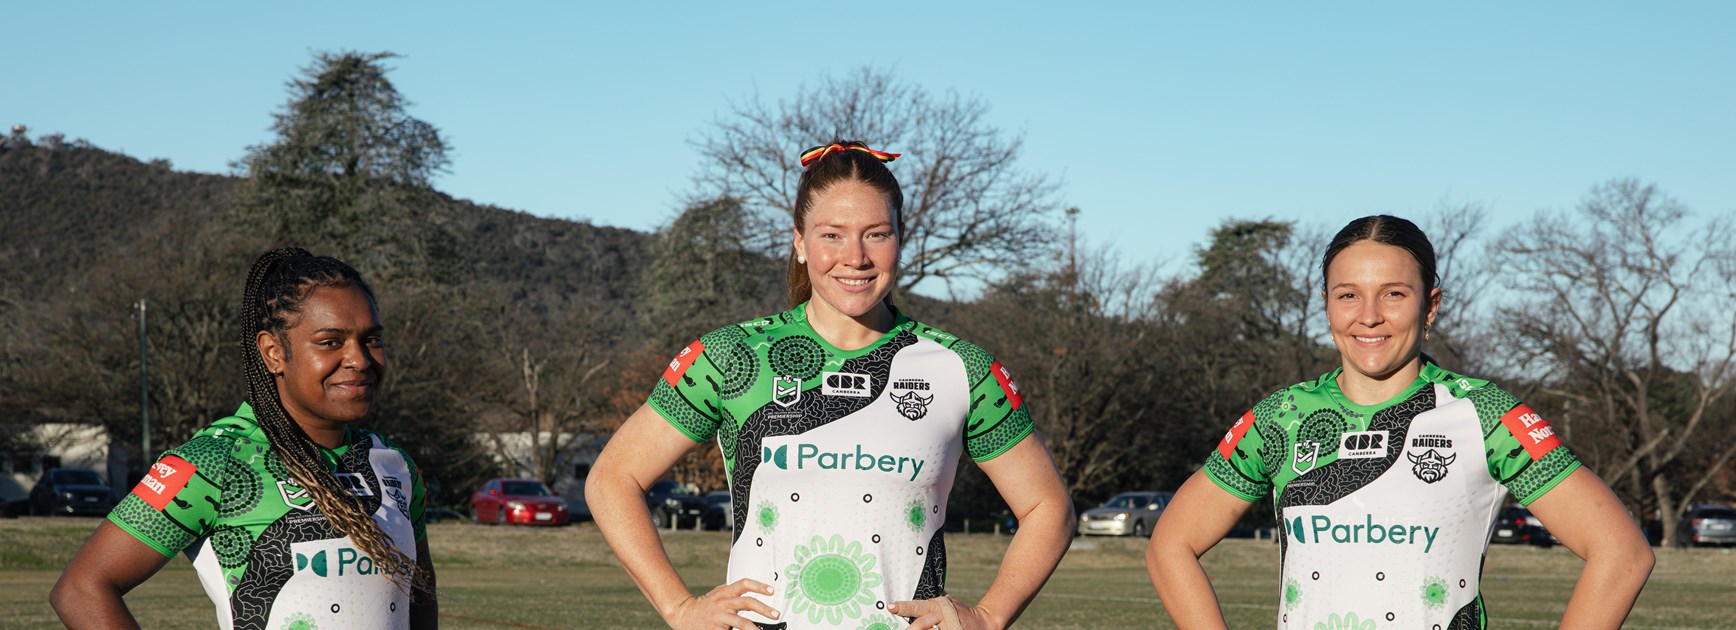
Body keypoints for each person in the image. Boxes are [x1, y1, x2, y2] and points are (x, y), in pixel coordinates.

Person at [587, 141, 1075, 630]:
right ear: (799, 242)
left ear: (901, 238)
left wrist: (988, 618)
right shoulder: (731, 356)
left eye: (876, 234)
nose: (855, 257)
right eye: (832, 235)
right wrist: (679, 607)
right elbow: (613, 479)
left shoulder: (962, 368)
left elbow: (1047, 507)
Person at [1146, 215, 1655, 629]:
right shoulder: (1281, 417)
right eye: (1347, 294)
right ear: (1326, 304)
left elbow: (1622, 553)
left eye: (1393, 294)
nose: (1369, 316)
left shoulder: (1485, 413)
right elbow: (1171, 546)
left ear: (1429, 306)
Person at [51, 248, 438, 629]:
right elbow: (82, 589)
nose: (359, 359)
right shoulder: (213, 462)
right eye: (330, 342)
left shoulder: (395, 465)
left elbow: (418, 592)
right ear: (273, 352)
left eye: (371, 339)